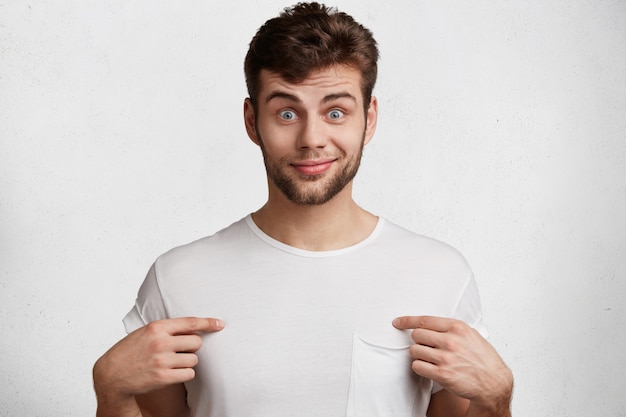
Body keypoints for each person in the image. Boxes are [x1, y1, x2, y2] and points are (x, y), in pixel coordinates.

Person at [93, 3, 514, 416]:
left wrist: (497, 403)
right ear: (252, 121)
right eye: (287, 112)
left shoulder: (439, 274)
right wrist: (111, 394)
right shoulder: (177, 278)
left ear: (368, 119)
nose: (312, 138)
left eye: (335, 112)